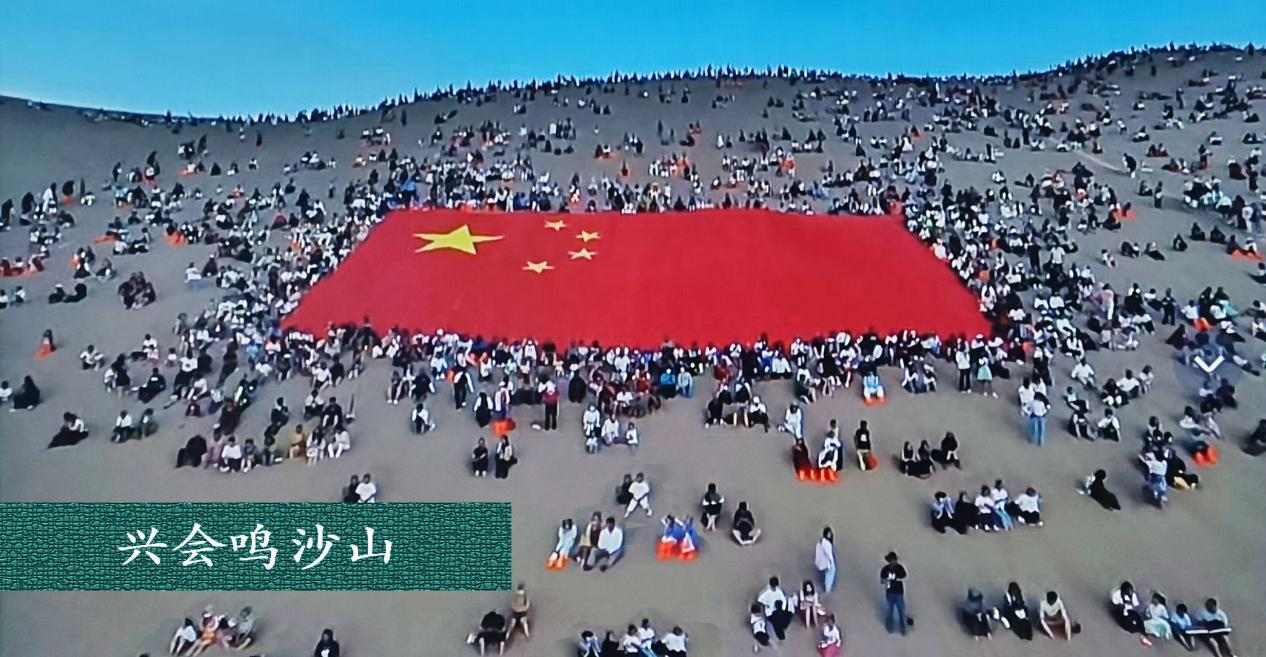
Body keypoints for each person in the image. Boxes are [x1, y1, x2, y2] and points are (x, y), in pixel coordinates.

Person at [880, 551, 909, 635]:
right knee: (892, 610)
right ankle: (892, 627)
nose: (894, 562)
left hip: (898, 592)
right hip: (891, 592)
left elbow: (904, 576)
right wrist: (886, 581)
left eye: (894, 560)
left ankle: (902, 628)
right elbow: (882, 581)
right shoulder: (886, 569)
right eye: (892, 560)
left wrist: (894, 579)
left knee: (900, 610)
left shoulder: (899, 568)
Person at [814, 526, 836, 593]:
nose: (829, 535)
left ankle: (826, 588)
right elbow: (828, 554)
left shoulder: (821, 543)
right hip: (828, 563)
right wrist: (829, 564)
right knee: (829, 576)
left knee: (827, 576)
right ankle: (827, 590)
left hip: (825, 563)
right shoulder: (826, 543)